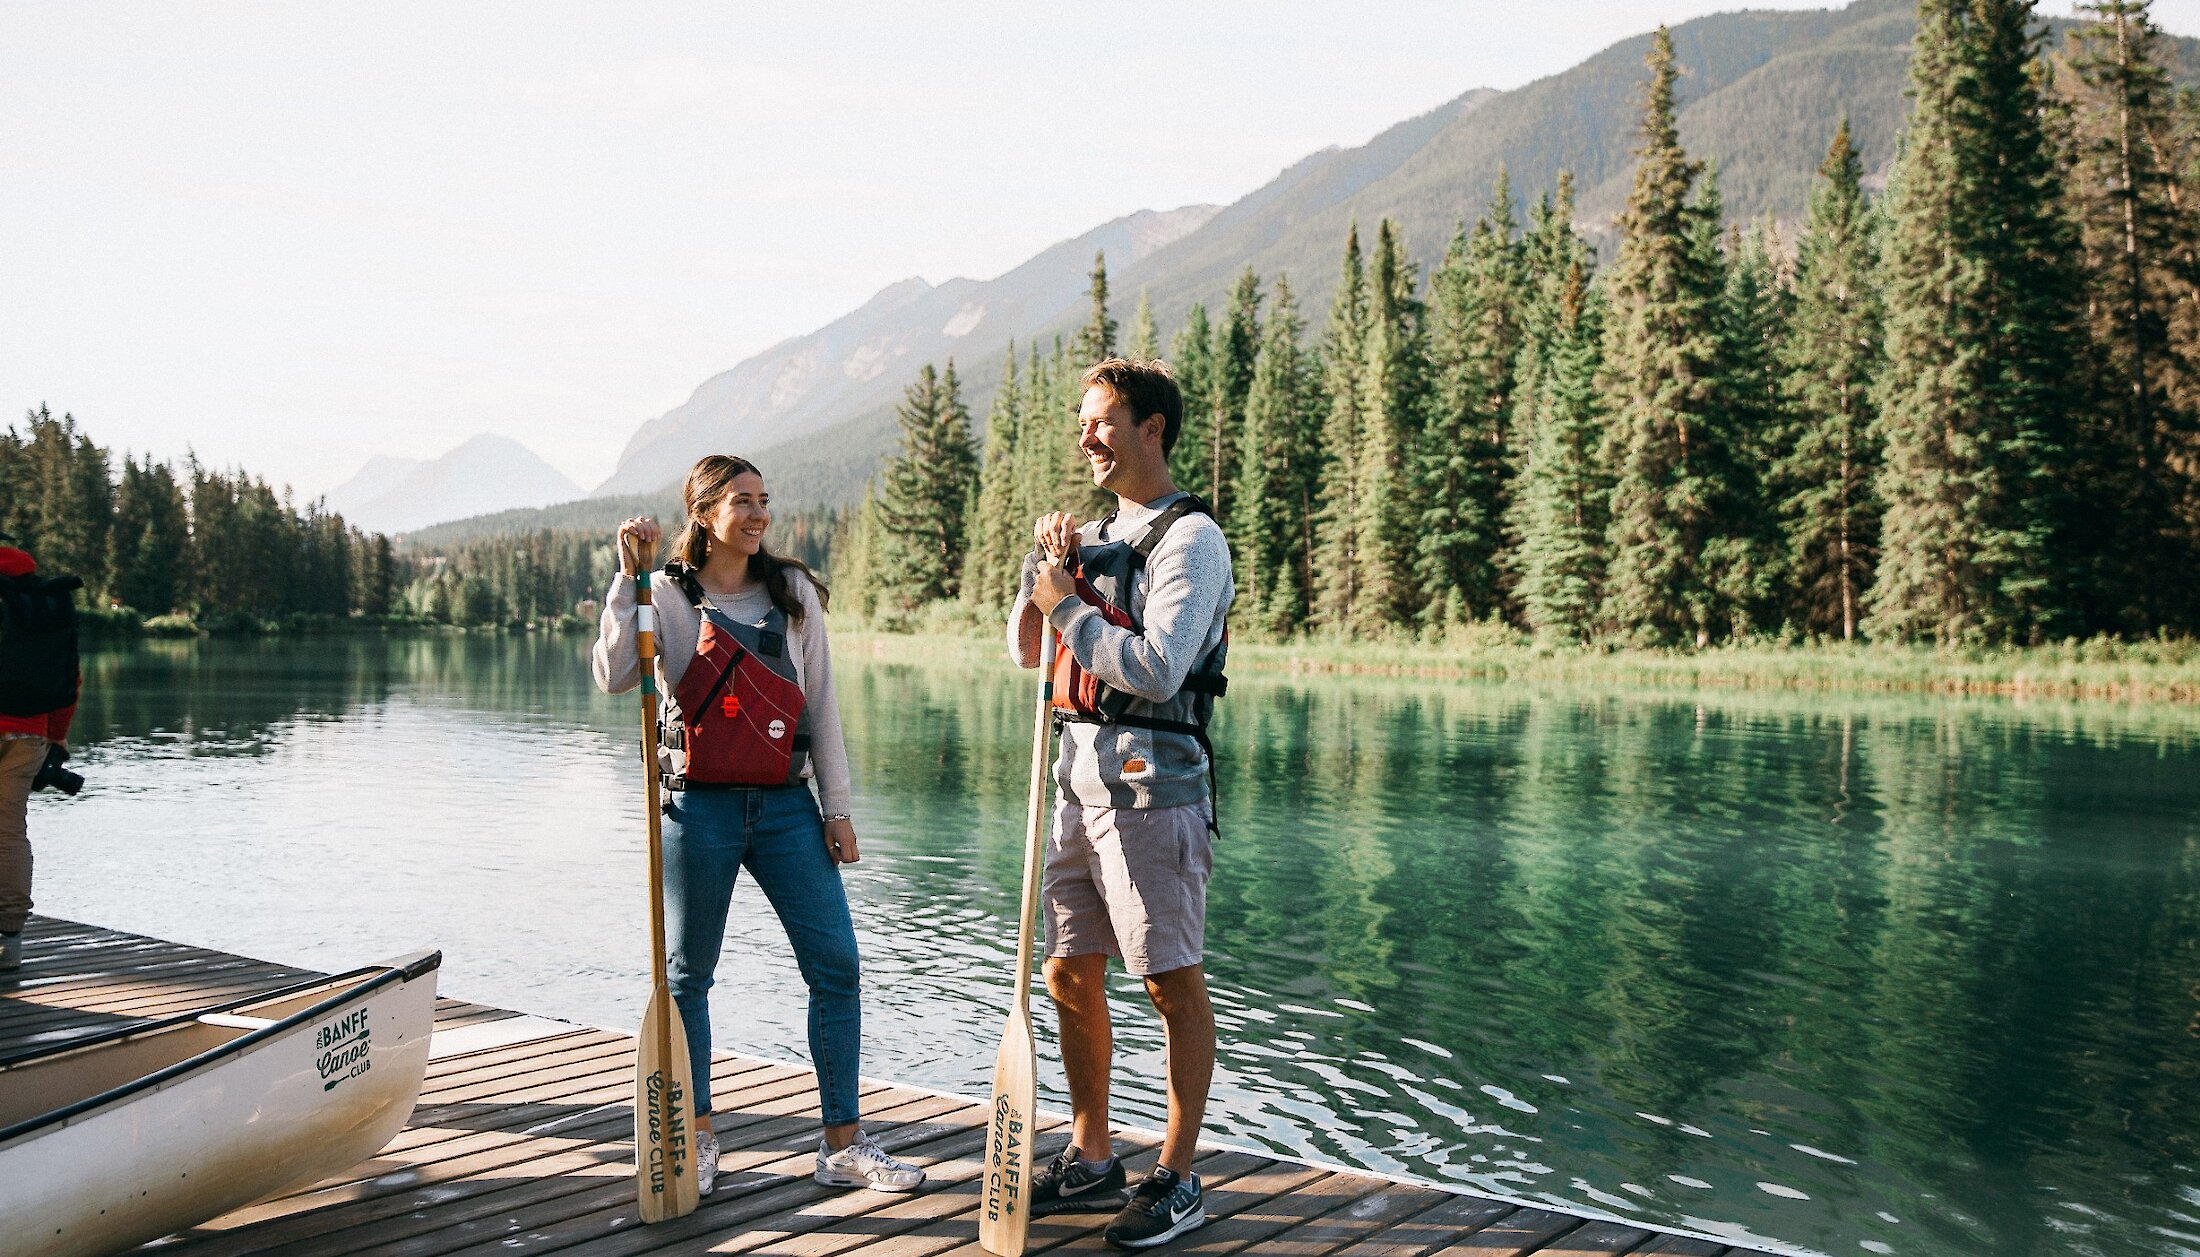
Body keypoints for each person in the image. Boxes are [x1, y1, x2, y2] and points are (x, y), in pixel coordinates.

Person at [592, 454, 923, 1197]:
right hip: (697, 804)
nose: (758, 514)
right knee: (687, 979)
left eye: (763, 500)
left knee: (836, 963)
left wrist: (836, 809)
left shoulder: (793, 591)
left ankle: (842, 1144)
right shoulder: (669, 593)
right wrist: (629, 579)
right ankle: (695, 1139)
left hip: (785, 808)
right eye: (742, 501)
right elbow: (613, 674)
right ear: (704, 512)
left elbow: (823, 707)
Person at [1008, 358, 1234, 1249]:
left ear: (1153, 429)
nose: (1086, 434)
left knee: (1168, 980)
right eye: (1080, 421)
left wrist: (1069, 607)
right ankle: (1093, 1150)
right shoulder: (1092, 535)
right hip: (1074, 781)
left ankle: (1178, 1175)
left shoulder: (1191, 541)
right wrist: (1043, 574)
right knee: (1069, 968)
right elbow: (1029, 650)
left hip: (1153, 786)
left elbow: (1157, 666)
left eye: (1102, 420)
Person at [0, 534, 82, 974]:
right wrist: (57, 736)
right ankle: (9, 943)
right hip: (29, 732)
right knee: (9, 832)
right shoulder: (45, 601)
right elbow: (71, 678)